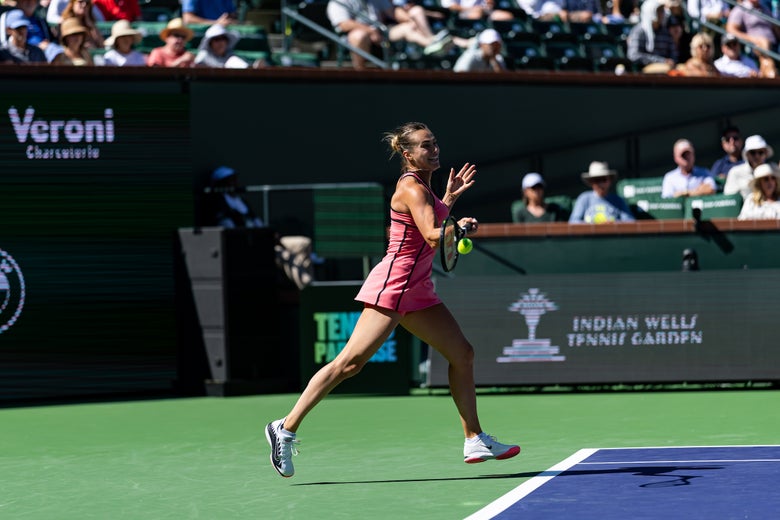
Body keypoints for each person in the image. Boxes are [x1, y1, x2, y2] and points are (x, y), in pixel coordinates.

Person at [264, 122, 521, 478]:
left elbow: (429, 225)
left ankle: (474, 437)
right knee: (349, 364)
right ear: (407, 154)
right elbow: (433, 236)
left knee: (463, 354)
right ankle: (285, 427)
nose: (434, 150)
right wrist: (457, 227)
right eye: (425, 146)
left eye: (435, 143)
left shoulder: (426, 190)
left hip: (417, 288)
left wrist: (449, 200)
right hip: (395, 284)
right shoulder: (412, 188)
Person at [205, 166, 315, 289]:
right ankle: (307, 287)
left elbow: (258, 223)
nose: (233, 183)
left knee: (303, 243)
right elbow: (230, 230)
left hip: (264, 239)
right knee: (283, 255)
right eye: (228, 180)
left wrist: (270, 235)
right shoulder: (220, 206)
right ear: (220, 184)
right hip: (249, 245)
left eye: (234, 179)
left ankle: (298, 288)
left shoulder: (242, 202)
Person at [327, 0, 452, 70]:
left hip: (382, 32)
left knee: (408, 27)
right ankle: (360, 71)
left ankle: (432, 44)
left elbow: (393, 12)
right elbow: (344, 24)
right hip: (356, 36)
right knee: (359, 35)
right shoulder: (338, 2)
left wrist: (409, 19)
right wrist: (369, 31)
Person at [725, 0, 779, 77]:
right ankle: (770, 71)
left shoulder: (766, 9)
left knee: (765, 48)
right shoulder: (741, 8)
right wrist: (752, 39)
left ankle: (766, 72)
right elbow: (731, 30)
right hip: (755, 45)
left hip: (774, 45)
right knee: (764, 43)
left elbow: (776, 30)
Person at [570, 162, 634, 223]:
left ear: (609, 181)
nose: (601, 184)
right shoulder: (584, 199)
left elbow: (630, 222)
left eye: (603, 179)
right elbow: (573, 222)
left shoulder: (618, 200)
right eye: (597, 180)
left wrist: (613, 224)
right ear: (591, 182)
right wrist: (594, 225)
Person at [626, 0, 678, 72]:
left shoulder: (665, 32)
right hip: (644, 69)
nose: (662, 14)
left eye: (662, 11)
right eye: (659, 11)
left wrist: (672, 61)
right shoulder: (639, 31)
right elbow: (633, 55)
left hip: (668, 67)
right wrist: (661, 61)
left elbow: (673, 53)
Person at [723, 134, 774, 199]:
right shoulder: (735, 172)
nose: (757, 156)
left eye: (760, 152)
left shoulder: (773, 171)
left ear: (766, 154)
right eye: (753, 152)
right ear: (746, 154)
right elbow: (729, 199)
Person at [439, 0, 514, 21]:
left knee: (507, 16)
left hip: (484, 11)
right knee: (477, 14)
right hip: (461, 13)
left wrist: (489, 3)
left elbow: (489, 3)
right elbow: (450, 6)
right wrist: (472, 9)